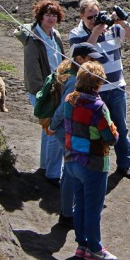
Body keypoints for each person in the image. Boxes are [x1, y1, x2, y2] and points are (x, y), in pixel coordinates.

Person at [69, 0, 130, 179]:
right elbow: (80, 54)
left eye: (96, 16)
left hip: (116, 87)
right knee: (96, 130)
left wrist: (121, 21)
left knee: (121, 128)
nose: (93, 20)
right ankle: (98, 166)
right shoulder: (75, 33)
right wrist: (95, 32)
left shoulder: (112, 28)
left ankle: (125, 164)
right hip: (93, 91)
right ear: (81, 16)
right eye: (90, 17)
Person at [62, 61, 118, 260]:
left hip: (71, 160)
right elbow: (111, 138)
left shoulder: (69, 100)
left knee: (80, 204)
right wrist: (114, 130)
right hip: (93, 163)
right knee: (93, 208)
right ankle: (94, 248)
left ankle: (81, 245)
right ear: (98, 84)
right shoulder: (98, 107)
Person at [47, 43, 105, 228]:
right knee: (71, 173)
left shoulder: (70, 75)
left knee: (70, 171)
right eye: (91, 59)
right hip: (67, 131)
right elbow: (63, 108)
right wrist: (54, 127)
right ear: (79, 59)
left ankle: (68, 211)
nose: (94, 62)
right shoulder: (74, 82)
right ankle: (66, 215)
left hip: (66, 130)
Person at [14, 0, 66, 184]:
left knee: (48, 129)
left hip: (56, 88)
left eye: (54, 15)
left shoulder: (55, 35)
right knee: (55, 127)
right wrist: (43, 93)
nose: (51, 19)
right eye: (47, 15)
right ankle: (53, 174)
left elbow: (61, 60)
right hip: (44, 91)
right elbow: (32, 70)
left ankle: (46, 166)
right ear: (40, 16)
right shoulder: (32, 39)